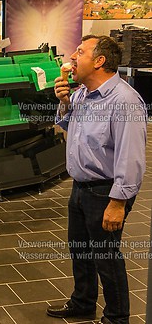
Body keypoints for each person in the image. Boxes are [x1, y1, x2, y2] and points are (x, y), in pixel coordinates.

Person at [47, 35, 147, 324]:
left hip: (106, 191)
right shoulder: (81, 93)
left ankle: (117, 317)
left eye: (80, 51)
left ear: (100, 60)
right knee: (80, 251)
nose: (73, 56)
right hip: (79, 188)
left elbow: (131, 158)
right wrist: (64, 101)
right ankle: (83, 302)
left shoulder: (124, 100)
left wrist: (118, 203)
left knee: (106, 257)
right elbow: (66, 125)